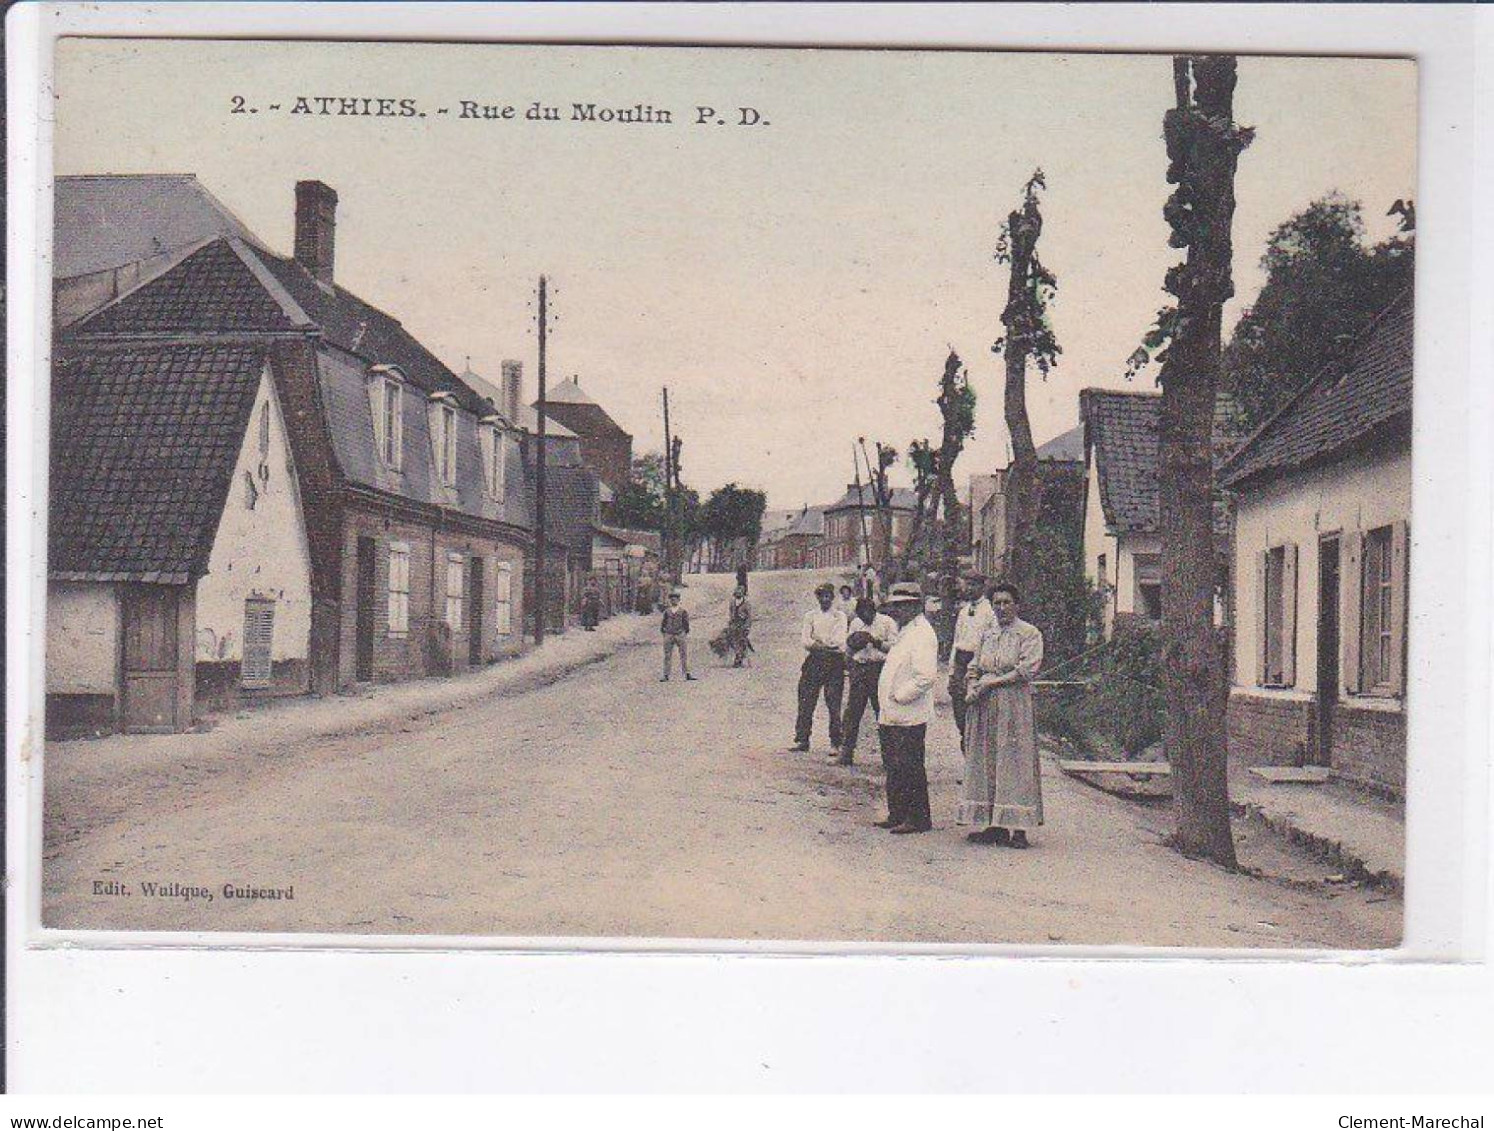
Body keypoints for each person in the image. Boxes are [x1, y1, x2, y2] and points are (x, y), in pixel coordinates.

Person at [960, 582, 1044, 848]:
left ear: (1017, 605)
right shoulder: (987, 633)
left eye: (1007, 602)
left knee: (1015, 761)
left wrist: (991, 683)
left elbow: (1026, 670)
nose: (1001, 608)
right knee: (988, 759)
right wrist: (972, 682)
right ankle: (993, 825)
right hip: (985, 705)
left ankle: (1019, 829)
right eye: (997, 603)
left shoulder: (1029, 633)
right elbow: (975, 663)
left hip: (1013, 704)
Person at [875, 582, 939, 834]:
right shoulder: (906, 631)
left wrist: (900, 696)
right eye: (895, 607)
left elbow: (925, 676)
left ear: (915, 606)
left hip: (908, 713)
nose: (897, 611)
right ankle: (897, 812)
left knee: (910, 765)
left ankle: (918, 818)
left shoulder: (923, 633)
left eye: (902, 606)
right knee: (894, 765)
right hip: (893, 713)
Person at [838, 596, 898, 765]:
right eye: (861, 614)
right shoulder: (856, 623)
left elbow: (895, 646)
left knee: (883, 713)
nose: (865, 617)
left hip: (880, 669)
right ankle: (846, 753)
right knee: (852, 713)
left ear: (874, 611)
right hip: (860, 668)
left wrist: (875, 641)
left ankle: (889, 758)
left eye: (868, 614)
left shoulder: (887, 622)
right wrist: (851, 657)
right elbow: (848, 647)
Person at [791, 582, 848, 754]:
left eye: (828, 596)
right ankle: (803, 739)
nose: (825, 599)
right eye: (822, 596)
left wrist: (818, 644)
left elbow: (839, 642)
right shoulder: (810, 616)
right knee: (806, 700)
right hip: (814, 661)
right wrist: (820, 645)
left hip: (834, 662)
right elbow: (805, 640)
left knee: (833, 703)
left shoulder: (840, 616)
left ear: (832, 597)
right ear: (817, 598)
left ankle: (835, 742)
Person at [949, 575, 994, 745]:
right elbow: (956, 640)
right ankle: (965, 743)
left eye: (973, 585)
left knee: (976, 708)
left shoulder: (990, 611)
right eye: (967, 585)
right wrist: (952, 671)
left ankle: (975, 748)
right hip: (961, 660)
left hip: (978, 662)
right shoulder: (963, 611)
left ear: (983, 586)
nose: (969, 589)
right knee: (959, 708)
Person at [711, 584, 753, 667]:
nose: (738, 594)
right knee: (730, 640)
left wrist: (747, 627)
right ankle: (734, 655)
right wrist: (730, 621)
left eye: (740, 592)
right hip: (734, 624)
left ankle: (739, 659)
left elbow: (749, 617)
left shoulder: (746, 604)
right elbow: (731, 613)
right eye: (737, 592)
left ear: (743, 593)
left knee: (740, 641)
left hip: (742, 624)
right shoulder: (732, 602)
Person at [660, 590, 695, 682]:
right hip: (669, 634)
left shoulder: (683, 611)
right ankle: (666, 675)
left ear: (679, 600)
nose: (673, 601)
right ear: (670, 601)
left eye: (675, 599)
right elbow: (663, 623)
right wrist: (665, 633)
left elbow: (686, 624)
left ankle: (687, 674)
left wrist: (684, 633)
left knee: (683, 654)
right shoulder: (667, 612)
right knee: (667, 655)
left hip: (680, 634)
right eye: (672, 599)